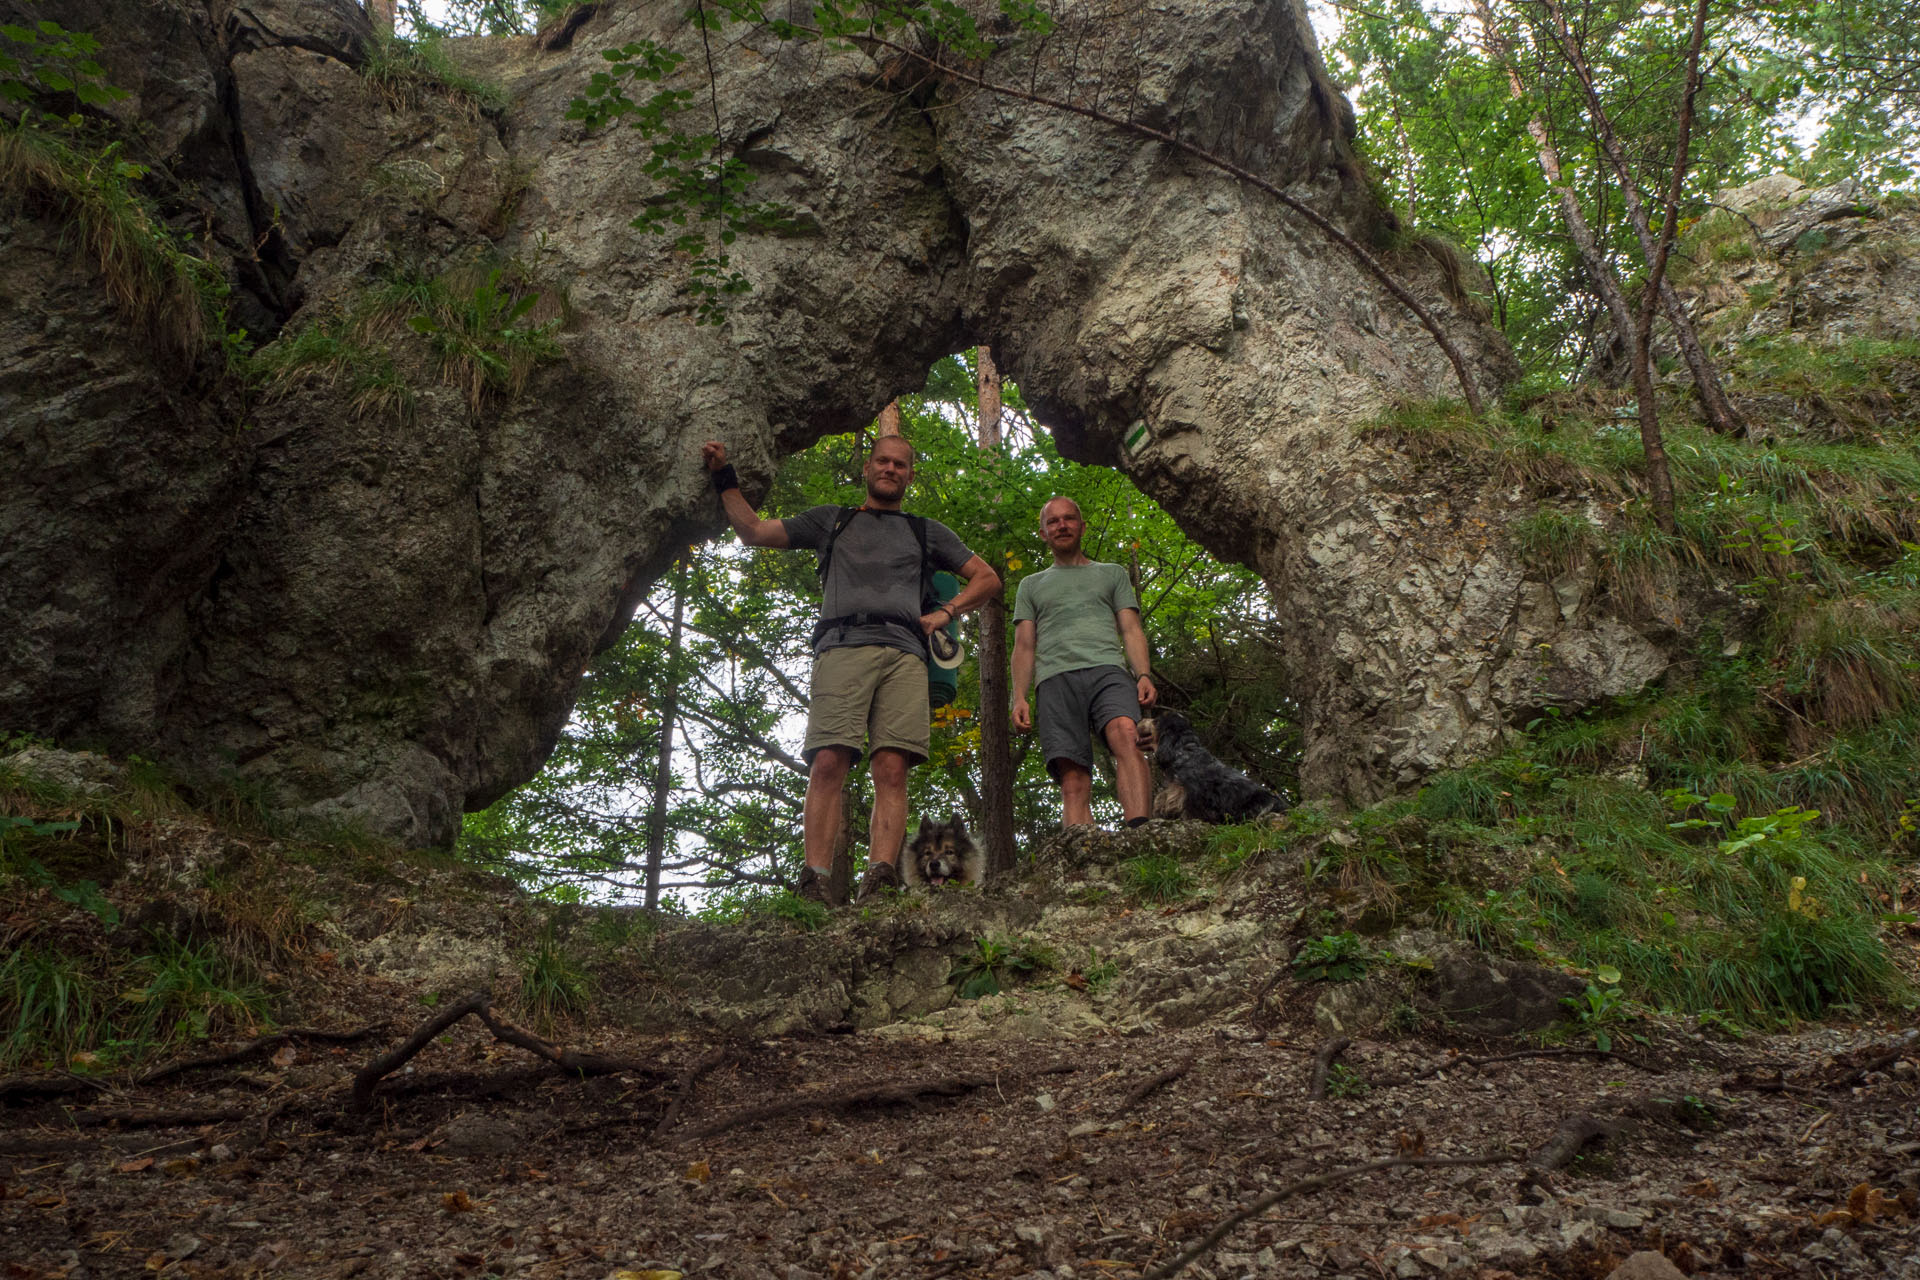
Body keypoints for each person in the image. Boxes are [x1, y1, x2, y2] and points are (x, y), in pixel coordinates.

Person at [701, 436, 1001, 905]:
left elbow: (988, 578)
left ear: (910, 475)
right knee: (827, 761)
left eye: (900, 464)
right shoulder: (832, 520)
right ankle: (815, 879)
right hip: (842, 645)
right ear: (867, 467)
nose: (891, 469)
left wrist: (946, 612)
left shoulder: (926, 531)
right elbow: (754, 532)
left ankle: (880, 878)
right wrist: (724, 477)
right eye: (883, 461)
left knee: (892, 767)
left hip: (905, 653)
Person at [1010, 496, 1157, 828]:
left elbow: (1131, 628)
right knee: (1073, 777)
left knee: (1126, 734)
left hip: (1108, 670)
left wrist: (1143, 674)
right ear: (1043, 533)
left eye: (1069, 519)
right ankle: (1081, 859)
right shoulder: (1030, 585)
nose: (1062, 525)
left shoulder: (1112, 574)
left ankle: (1140, 834)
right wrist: (1018, 696)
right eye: (1053, 521)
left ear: (1082, 526)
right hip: (1054, 679)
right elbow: (1024, 645)